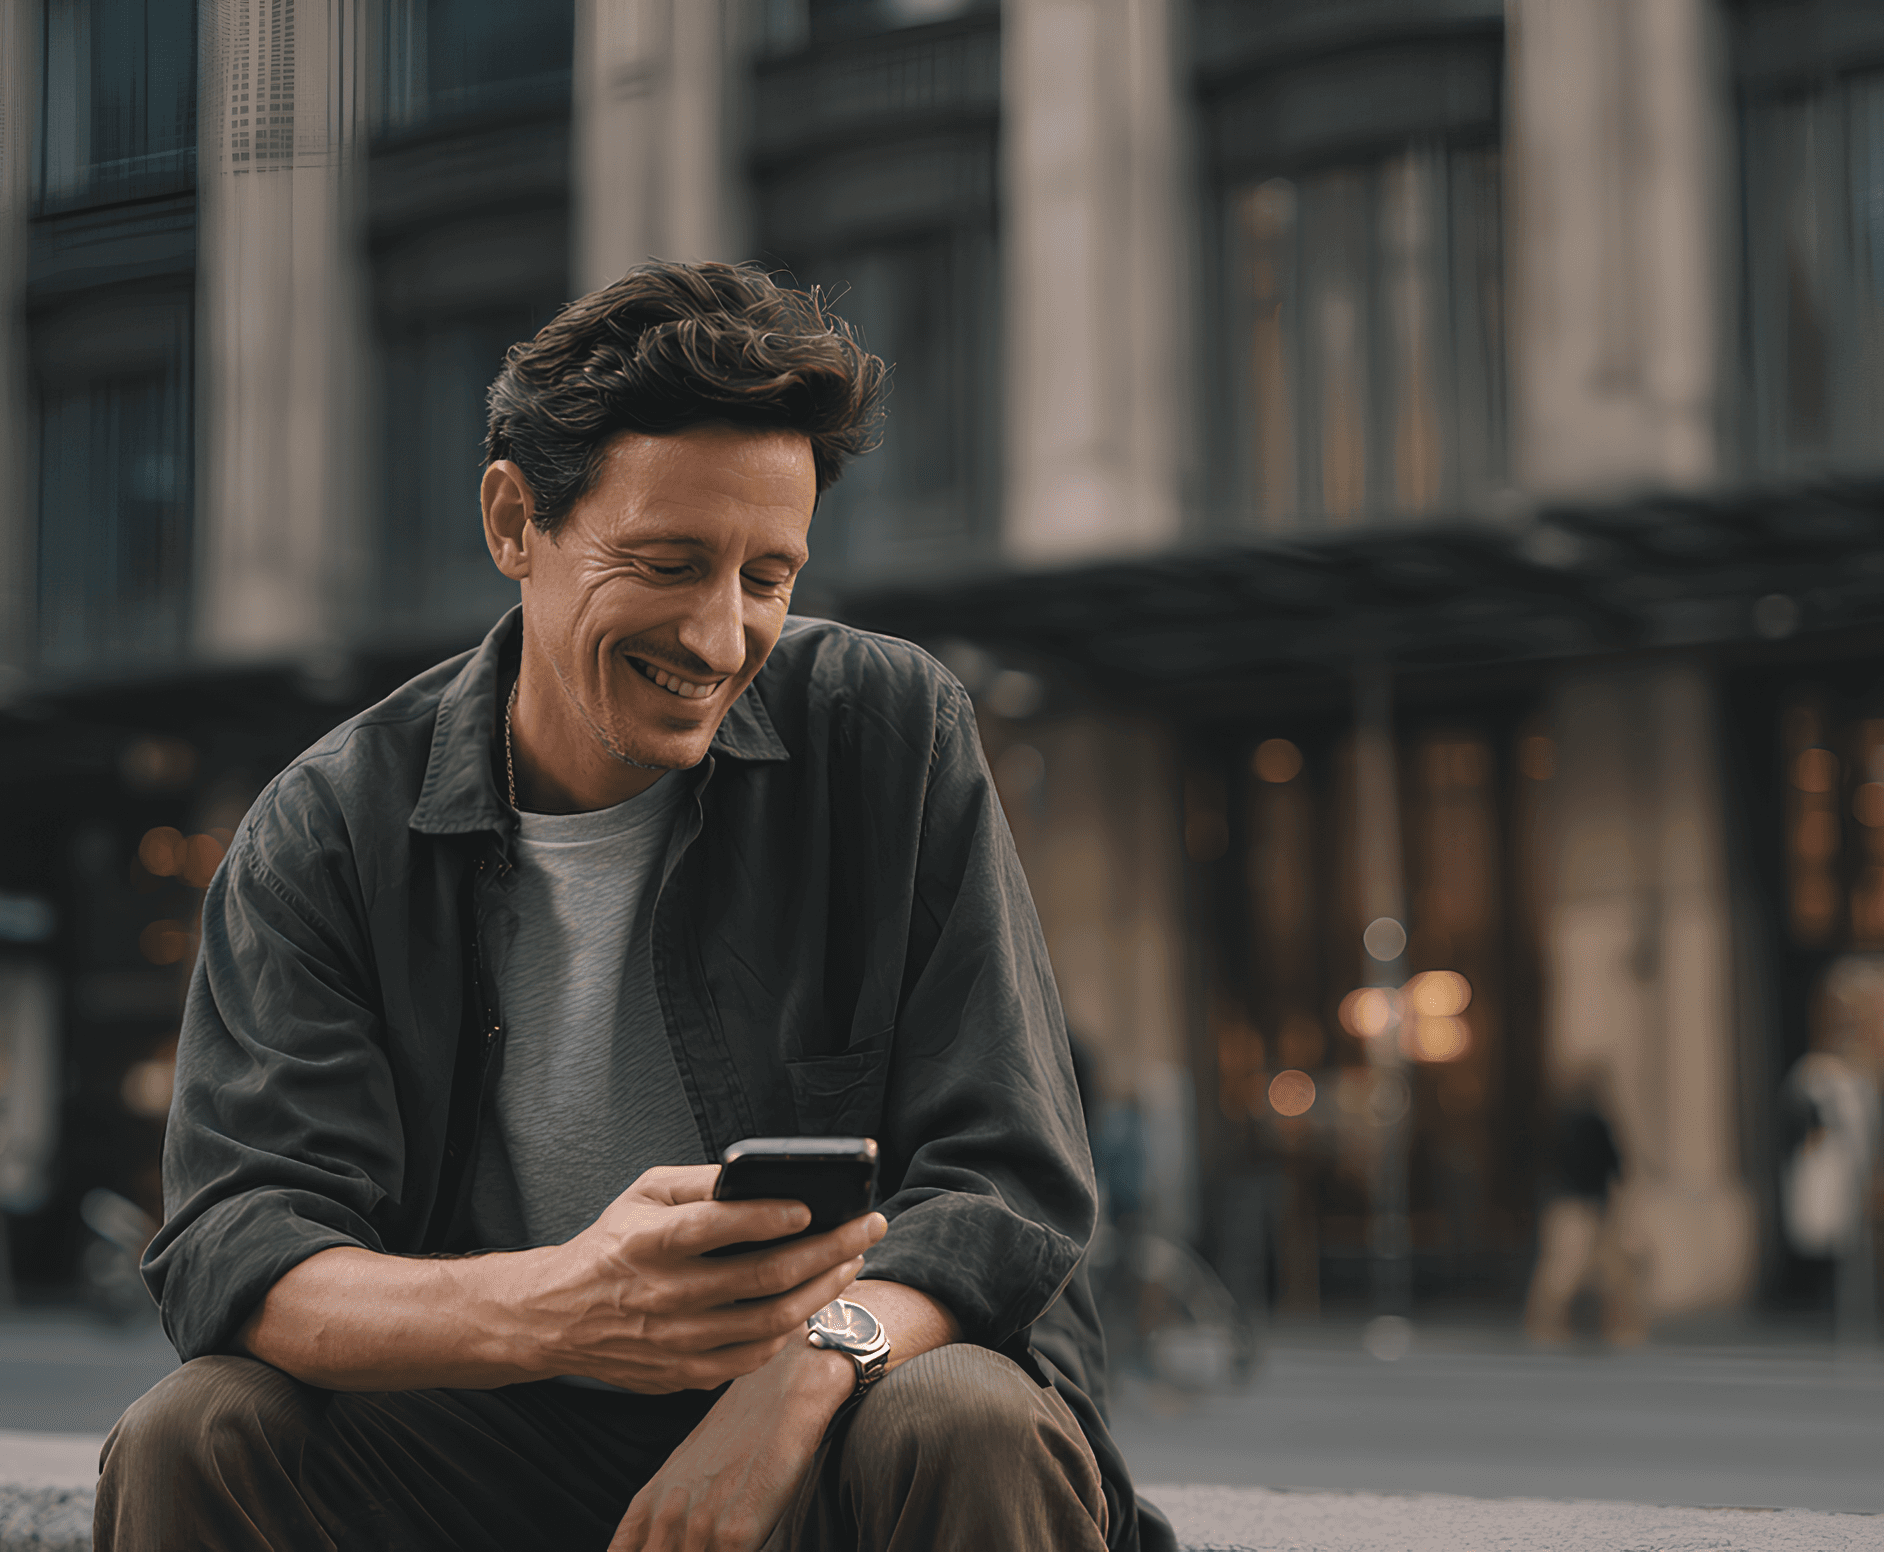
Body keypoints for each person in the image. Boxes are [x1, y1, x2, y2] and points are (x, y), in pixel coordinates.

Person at [95, 261, 1173, 1552]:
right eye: (669, 563)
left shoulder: (889, 733)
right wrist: (566, 1305)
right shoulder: (323, 833)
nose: (720, 637)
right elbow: (240, 1246)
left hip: (839, 1428)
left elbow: (1005, 1185)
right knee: (189, 1437)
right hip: (481, 1439)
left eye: (767, 577)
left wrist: (808, 1367)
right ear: (513, 521)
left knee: (963, 1417)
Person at [1522, 1078, 1645, 1347]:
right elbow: (1619, 1166)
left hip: (1567, 1205)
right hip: (1594, 1206)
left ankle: (1544, 1327)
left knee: (1564, 1269)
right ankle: (1623, 1329)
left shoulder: (1561, 1125)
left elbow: (1544, 1164)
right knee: (1609, 1271)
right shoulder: (1597, 1124)